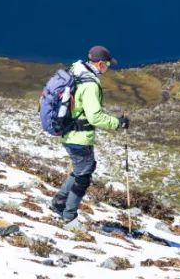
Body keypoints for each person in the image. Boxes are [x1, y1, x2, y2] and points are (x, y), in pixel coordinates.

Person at [49, 45, 130, 227]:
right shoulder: (90, 84)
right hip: (79, 137)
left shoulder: (76, 72)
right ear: (100, 64)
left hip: (68, 133)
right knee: (83, 176)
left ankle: (59, 202)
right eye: (107, 65)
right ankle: (68, 216)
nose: (108, 68)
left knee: (82, 168)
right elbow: (95, 117)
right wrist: (118, 123)